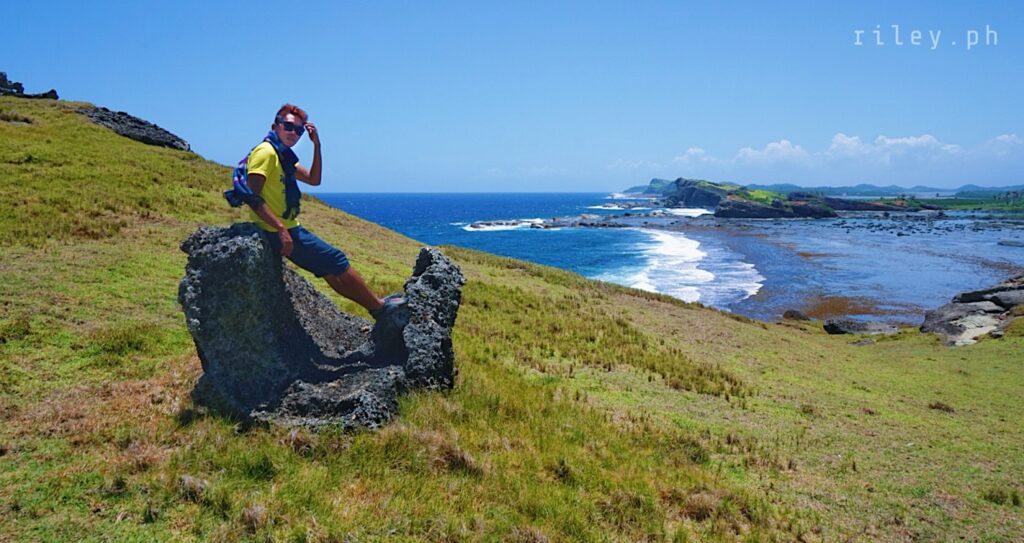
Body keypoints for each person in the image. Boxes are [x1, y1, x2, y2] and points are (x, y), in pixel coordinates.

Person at [244, 104, 407, 340]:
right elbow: (252, 196)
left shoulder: (283, 156)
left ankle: (375, 307)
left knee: (329, 272)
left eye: (298, 130)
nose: (293, 133)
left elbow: (314, 179)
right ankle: (381, 308)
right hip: (279, 230)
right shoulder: (266, 153)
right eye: (288, 126)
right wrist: (281, 230)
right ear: (275, 126)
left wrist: (317, 146)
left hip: (287, 227)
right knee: (336, 260)